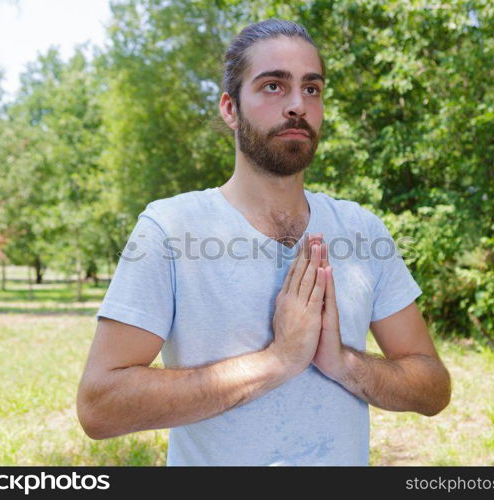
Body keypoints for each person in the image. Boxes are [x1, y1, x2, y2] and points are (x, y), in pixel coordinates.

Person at [76, 18, 451, 466]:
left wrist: (343, 363)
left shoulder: (362, 230)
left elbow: (433, 388)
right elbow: (99, 407)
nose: (298, 105)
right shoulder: (170, 229)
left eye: (312, 89)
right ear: (230, 108)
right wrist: (276, 362)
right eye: (273, 86)